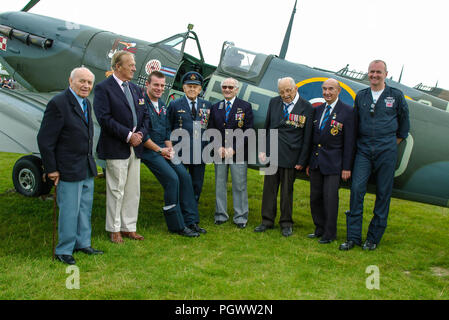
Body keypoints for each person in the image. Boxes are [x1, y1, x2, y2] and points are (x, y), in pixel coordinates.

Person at [339, 60, 410, 251]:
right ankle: (353, 237)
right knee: (357, 190)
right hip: (363, 151)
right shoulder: (361, 96)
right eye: (371, 72)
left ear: (386, 74)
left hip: (386, 152)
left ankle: (373, 239)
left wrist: (389, 144)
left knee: (383, 194)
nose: (374, 75)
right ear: (368, 74)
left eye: (378, 72)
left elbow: (404, 127)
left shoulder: (395, 96)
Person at [37, 67, 102, 265]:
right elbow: (45, 139)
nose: (86, 86)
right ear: (70, 81)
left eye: (89, 83)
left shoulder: (86, 103)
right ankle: (64, 250)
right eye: (82, 81)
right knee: (69, 210)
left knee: (84, 208)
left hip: (85, 166)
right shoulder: (58, 103)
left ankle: (83, 243)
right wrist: (51, 169)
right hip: (67, 167)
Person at [93, 50, 149, 244]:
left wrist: (140, 134)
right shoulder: (103, 89)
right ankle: (114, 229)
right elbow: (104, 118)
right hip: (116, 146)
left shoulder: (136, 89)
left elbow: (145, 116)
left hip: (136, 147)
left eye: (134, 64)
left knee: (133, 190)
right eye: (130, 64)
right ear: (118, 66)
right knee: (116, 190)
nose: (134, 67)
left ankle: (129, 227)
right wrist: (128, 136)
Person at [141, 71, 203, 237]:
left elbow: (167, 130)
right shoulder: (141, 105)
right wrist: (160, 150)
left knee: (184, 176)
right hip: (150, 150)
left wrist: (170, 149)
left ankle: (191, 221)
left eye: (162, 85)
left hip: (164, 149)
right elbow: (143, 135)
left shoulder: (162, 104)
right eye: (156, 85)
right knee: (172, 179)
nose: (159, 88)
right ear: (147, 84)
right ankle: (177, 225)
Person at [255, 77, 314, 237]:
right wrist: (262, 148)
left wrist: (302, 160)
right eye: (281, 91)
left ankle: (286, 223)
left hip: (291, 156)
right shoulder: (274, 102)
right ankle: (266, 221)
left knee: (287, 192)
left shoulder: (306, 107)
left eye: (288, 90)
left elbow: (307, 137)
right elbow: (266, 126)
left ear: (295, 89)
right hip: (271, 153)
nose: (285, 94)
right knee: (269, 190)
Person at [306, 78, 356, 244]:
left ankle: (330, 233)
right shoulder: (318, 110)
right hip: (316, 162)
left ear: (338, 91)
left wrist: (347, 167)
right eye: (325, 89)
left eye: (331, 89)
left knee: (330, 199)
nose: (327, 92)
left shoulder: (347, 112)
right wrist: (308, 161)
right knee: (315, 198)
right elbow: (312, 138)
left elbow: (349, 143)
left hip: (334, 164)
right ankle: (319, 228)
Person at [208, 77, 254, 228]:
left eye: (230, 87)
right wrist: (217, 147)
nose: (227, 89)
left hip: (238, 153)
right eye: (225, 87)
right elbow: (211, 129)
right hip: (220, 153)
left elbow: (248, 131)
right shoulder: (216, 107)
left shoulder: (245, 107)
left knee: (239, 185)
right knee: (220, 184)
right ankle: (220, 215)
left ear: (236, 89)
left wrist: (233, 149)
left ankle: (240, 217)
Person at [167, 71, 212, 204]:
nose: (192, 89)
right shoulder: (175, 104)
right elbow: (167, 127)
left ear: (200, 89)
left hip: (200, 152)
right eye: (189, 86)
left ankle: (192, 213)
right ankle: (179, 210)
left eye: (195, 86)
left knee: (197, 184)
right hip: (180, 151)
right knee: (180, 182)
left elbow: (209, 128)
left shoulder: (207, 106)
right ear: (184, 87)